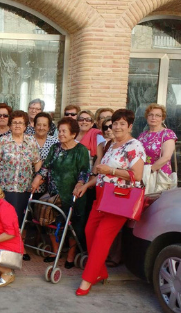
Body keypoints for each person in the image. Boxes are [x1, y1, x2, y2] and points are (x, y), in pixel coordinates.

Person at [75, 109, 145, 296]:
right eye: (115, 123)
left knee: (101, 239)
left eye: (122, 123)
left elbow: (136, 176)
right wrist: (87, 185)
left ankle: (87, 280)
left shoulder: (134, 146)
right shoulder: (110, 145)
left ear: (130, 126)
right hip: (100, 197)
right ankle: (100, 272)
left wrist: (111, 171)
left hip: (118, 200)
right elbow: (100, 173)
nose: (117, 127)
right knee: (89, 232)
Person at [31, 118, 90, 268]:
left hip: (73, 194)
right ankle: (55, 251)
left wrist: (80, 183)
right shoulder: (55, 148)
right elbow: (45, 167)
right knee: (51, 221)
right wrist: (37, 178)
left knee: (72, 225)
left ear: (73, 134)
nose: (61, 134)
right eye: (60, 131)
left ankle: (70, 255)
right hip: (54, 193)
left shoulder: (81, 150)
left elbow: (84, 171)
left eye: (64, 131)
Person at [0, 110, 41, 228]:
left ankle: (18, 244)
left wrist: (37, 180)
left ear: (25, 126)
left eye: (20, 123)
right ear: (10, 125)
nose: (17, 125)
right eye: (14, 123)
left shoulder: (31, 141)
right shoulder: (3, 141)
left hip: (25, 188)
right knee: (5, 219)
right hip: (5, 188)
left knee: (21, 220)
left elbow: (37, 161)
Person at [137, 103, 177, 178]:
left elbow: (166, 157)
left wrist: (148, 172)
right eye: (150, 115)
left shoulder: (167, 134)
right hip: (142, 176)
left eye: (158, 115)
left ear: (162, 118)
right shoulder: (142, 135)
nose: (153, 117)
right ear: (147, 117)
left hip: (159, 176)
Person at [32, 112, 59, 198]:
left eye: (44, 125)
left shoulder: (55, 142)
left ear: (49, 127)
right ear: (34, 125)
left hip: (48, 187)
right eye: (38, 125)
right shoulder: (27, 140)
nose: (41, 128)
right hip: (29, 185)